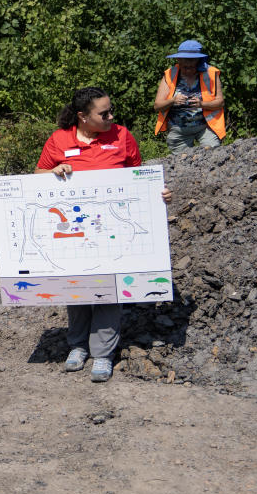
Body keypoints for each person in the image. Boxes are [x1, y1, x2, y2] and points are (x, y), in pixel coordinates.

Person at [35, 87, 171, 382]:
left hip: (112, 232)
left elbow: (139, 179)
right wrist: (55, 171)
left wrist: (158, 194)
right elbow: (37, 176)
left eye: (111, 110)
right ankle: (78, 346)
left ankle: (102, 354)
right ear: (83, 117)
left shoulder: (122, 136)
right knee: (78, 289)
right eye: (104, 113)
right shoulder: (59, 140)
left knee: (108, 291)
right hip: (74, 232)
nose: (112, 116)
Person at [153, 39, 225, 153]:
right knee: (182, 163)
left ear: (199, 62)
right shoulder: (170, 74)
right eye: (184, 67)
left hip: (206, 128)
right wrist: (172, 101)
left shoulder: (211, 73)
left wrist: (202, 104)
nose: (187, 70)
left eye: (192, 66)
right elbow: (157, 106)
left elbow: (220, 102)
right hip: (179, 131)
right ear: (178, 61)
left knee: (213, 155)